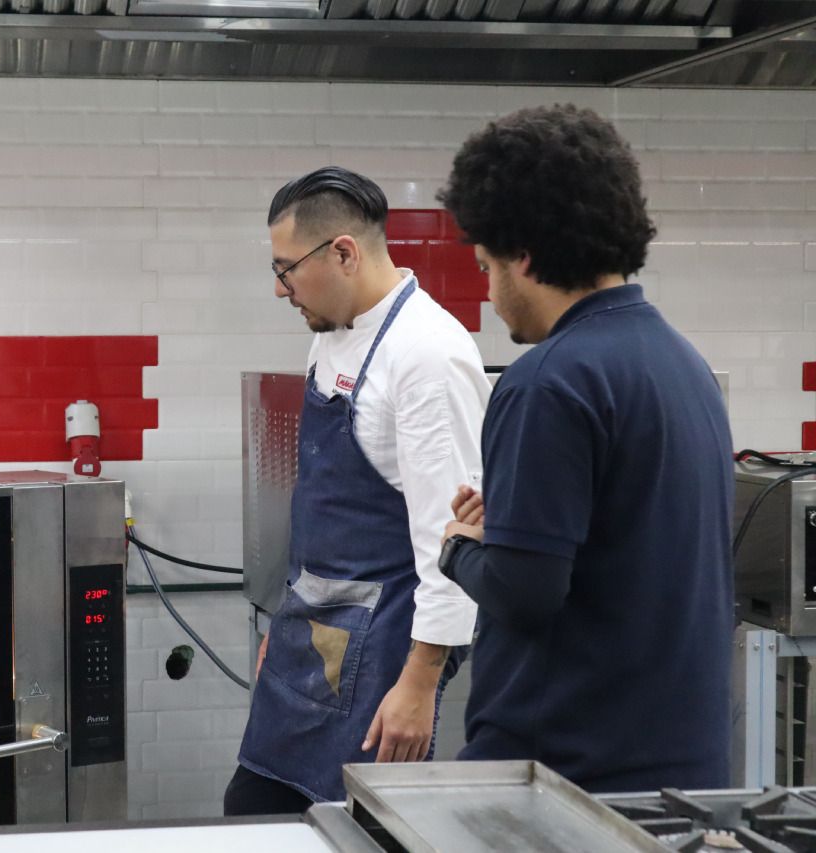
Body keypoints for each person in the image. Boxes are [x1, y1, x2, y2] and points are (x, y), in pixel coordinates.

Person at [435, 104, 734, 792]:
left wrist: (459, 549)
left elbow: (526, 593)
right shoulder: (684, 365)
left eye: (486, 266)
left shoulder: (547, 382)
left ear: (523, 255)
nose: (489, 292)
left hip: (565, 780)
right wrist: (512, 532)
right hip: (681, 773)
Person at [225, 167, 489, 814]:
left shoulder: (428, 356)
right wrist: (288, 620)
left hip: (383, 652)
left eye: (286, 269)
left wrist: (420, 682)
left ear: (343, 252)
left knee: (353, 830)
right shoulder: (329, 337)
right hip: (309, 632)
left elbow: (452, 540)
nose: (281, 289)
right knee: (253, 806)